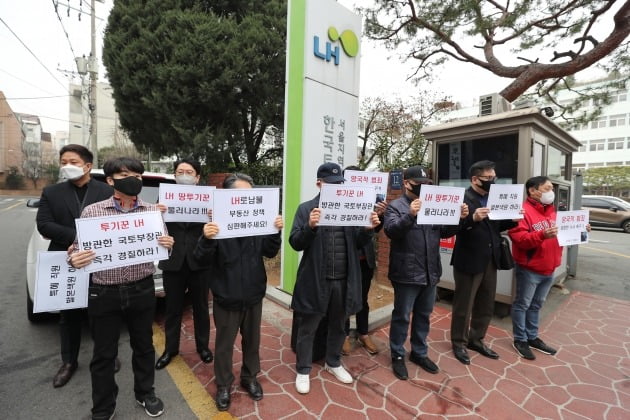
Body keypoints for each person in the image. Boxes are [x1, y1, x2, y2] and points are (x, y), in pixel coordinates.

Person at [68, 157, 174, 419]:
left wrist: (168, 242)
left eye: (138, 176)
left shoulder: (151, 212)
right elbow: (76, 247)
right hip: (104, 292)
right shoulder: (93, 212)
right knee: (104, 353)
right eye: (127, 175)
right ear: (110, 180)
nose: (134, 180)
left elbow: (162, 246)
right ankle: (103, 406)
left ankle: (145, 392)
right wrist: (74, 257)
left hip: (142, 289)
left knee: (144, 346)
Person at [194, 173, 283, 411]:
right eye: (239, 195)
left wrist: (275, 231)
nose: (245, 200)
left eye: (249, 196)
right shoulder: (215, 225)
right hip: (226, 296)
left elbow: (270, 252)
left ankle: (249, 377)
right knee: (224, 345)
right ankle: (223, 385)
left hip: (253, 294)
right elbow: (199, 260)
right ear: (226, 197)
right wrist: (207, 238)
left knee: (252, 342)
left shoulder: (258, 222)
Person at [290, 162, 381, 394]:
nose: (335, 188)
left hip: (344, 278)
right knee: (308, 326)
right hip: (315, 278)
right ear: (319, 184)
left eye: (338, 184)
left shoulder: (349, 207)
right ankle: (303, 369)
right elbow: (295, 242)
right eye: (330, 184)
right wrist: (310, 226)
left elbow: (358, 242)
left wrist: (368, 230)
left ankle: (333, 362)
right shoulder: (306, 209)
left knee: (339, 325)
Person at [35, 144, 114, 388]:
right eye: (63, 162)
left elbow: (117, 220)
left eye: (72, 161)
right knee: (68, 315)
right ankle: (69, 362)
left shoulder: (106, 190)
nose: (66, 166)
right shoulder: (52, 192)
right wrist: (81, 237)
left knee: (102, 312)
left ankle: (107, 357)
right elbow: (45, 225)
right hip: (65, 259)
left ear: (87, 166)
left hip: (101, 259)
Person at [384, 165, 468, 380]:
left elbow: (445, 231)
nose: (423, 188)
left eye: (426, 184)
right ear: (406, 183)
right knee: (402, 316)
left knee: (424, 315)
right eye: (418, 184)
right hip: (405, 272)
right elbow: (392, 231)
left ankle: (419, 353)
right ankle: (398, 354)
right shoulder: (396, 206)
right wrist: (411, 214)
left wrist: (460, 218)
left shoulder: (433, 204)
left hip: (430, 271)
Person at [508, 176, 589, 360]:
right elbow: (520, 239)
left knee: (536, 305)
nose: (551, 191)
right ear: (533, 191)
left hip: (549, 267)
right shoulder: (522, 211)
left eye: (551, 188)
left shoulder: (552, 212)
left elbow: (564, 235)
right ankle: (520, 339)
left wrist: (581, 230)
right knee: (522, 304)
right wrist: (542, 235)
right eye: (547, 188)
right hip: (529, 269)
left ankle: (532, 336)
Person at [449, 160, 518, 365]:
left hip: (491, 259)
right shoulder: (461, 199)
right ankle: (459, 343)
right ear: (474, 179)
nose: (492, 181)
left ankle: (476, 339)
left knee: (486, 303)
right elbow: (451, 228)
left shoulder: (493, 197)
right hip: (468, 259)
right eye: (488, 178)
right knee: (464, 304)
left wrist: (513, 220)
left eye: (494, 177)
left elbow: (496, 226)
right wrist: (472, 218)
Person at [155, 158, 213, 370]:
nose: (185, 175)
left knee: (201, 308)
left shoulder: (209, 198)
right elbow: (153, 228)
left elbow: (217, 228)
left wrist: (213, 216)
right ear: (175, 175)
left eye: (190, 172)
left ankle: (203, 347)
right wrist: (156, 214)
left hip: (200, 260)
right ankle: (171, 349)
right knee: (173, 309)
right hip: (173, 260)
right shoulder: (164, 197)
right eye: (181, 171)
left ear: (197, 177)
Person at [341, 165, 387, 355]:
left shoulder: (370, 200)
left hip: (364, 259)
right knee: (344, 299)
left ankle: (363, 333)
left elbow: (375, 230)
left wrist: (380, 216)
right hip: (345, 260)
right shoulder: (339, 201)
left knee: (362, 299)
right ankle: (343, 335)